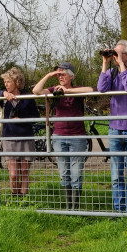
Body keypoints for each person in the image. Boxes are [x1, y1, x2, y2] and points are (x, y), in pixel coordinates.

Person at [33, 62, 94, 210]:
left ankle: (76, 208)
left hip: (77, 137)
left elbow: (91, 90)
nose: (60, 77)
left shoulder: (77, 90)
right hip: (59, 136)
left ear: (71, 76)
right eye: (58, 74)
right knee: (64, 173)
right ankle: (68, 207)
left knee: (76, 173)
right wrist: (49, 75)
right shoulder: (55, 90)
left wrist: (67, 91)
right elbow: (36, 91)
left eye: (63, 74)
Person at [96, 40, 127, 212]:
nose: (114, 57)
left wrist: (123, 67)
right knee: (116, 174)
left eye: (117, 54)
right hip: (115, 128)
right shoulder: (111, 72)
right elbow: (101, 88)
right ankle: (119, 210)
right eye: (114, 53)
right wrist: (105, 63)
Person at [0, 67, 40, 196]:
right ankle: (14, 196)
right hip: (9, 138)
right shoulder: (4, 97)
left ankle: (23, 199)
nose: (6, 84)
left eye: (8, 81)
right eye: (5, 82)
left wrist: (22, 120)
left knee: (24, 172)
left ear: (17, 82)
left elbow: (36, 117)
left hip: (26, 138)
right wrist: (3, 93)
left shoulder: (27, 97)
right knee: (13, 174)